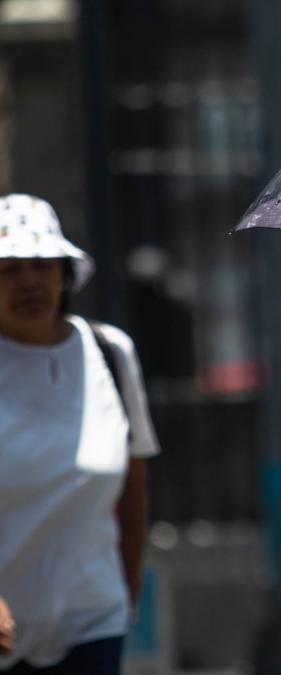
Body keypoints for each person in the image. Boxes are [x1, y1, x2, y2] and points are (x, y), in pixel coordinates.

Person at [0, 194, 160, 674]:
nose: (29, 281)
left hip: (93, 623)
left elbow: (134, 492)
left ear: (65, 275)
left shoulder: (111, 353)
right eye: (9, 268)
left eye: (44, 264)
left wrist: (125, 599)